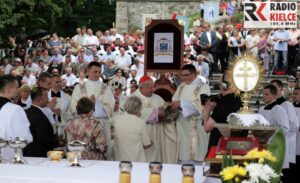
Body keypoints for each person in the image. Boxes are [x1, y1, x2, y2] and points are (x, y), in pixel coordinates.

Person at [71, 61, 115, 159]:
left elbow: (110, 106)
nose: (97, 74)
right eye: (95, 71)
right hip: (82, 126)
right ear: (88, 71)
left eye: (99, 72)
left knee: (100, 152)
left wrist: (97, 104)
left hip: (101, 125)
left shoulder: (106, 88)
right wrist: (88, 105)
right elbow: (74, 106)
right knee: (83, 153)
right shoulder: (79, 87)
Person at [171, 64, 210, 164]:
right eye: (183, 75)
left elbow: (201, 106)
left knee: (195, 155)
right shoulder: (182, 86)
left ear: (193, 74)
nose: (184, 78)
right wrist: (173, 105)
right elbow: (175, 99)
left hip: (196, 125)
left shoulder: (203, 86)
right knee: (183, 153)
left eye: (186, 75)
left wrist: (181, 104)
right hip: (182, 124)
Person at [132, 76, 177, 163]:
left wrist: (167, 110)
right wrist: (156, 112)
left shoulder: (157, 98)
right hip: (142, 135)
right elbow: (135, 114)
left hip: (158, 134)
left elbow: (166, 114)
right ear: (141, 88)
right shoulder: (133, 98)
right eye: (150, 88)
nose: (153, 89)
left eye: (153, 87)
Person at [271, 79, 299, 182]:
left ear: (281, 89)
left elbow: (294, 125)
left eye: (275, 87)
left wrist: (281, 136)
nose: (272, 90)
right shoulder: (270, 105)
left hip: (283, 143)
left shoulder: (287, 105)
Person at [203, 75, 242, 148]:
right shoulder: (241, 100)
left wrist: (207, 111)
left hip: (220, 146)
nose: (219, 87)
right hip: (237, 145)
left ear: (225, 85)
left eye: (220, 84)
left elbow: (207, 128)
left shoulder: (224, 102)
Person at [0, 75, 33, 158]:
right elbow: (24, 137)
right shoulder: (14, 109)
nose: (18, 90)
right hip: (8, 160)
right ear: (9, 90)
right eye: (17, 88)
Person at [112, 96, 151, 162]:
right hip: (136, 161)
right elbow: (147, 144)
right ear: (139, 108)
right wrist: (152, 142)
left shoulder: (115, 119)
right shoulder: (140, 122)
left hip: (118, 159)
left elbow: (112, 138)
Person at [24, 87, 58, 157]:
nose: (48, 100)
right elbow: (44, 138)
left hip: (28, 152)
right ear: (40, 98)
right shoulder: (38, 115)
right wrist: (58, 142)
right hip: (39, 154)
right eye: (46, 97)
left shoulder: (26, 112)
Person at [291, 87, 300, 180]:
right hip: (291, 137)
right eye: (293, 93)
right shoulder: (289, 107)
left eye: (296, 94)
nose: (293, 95)